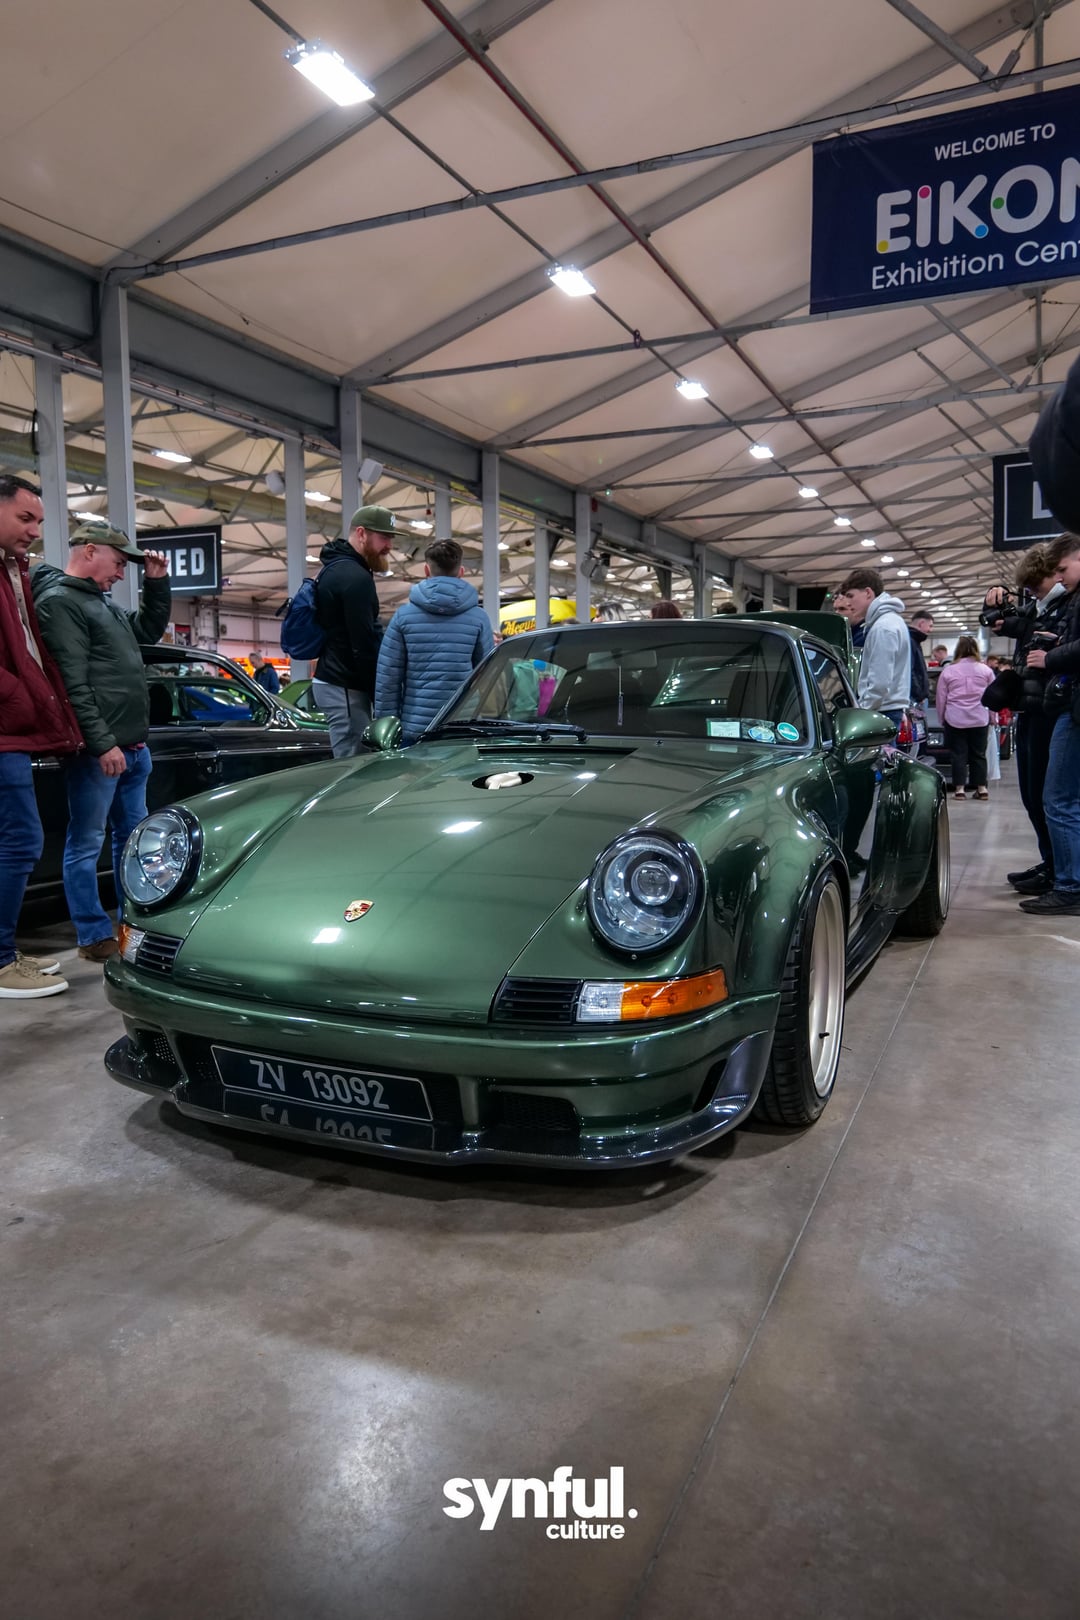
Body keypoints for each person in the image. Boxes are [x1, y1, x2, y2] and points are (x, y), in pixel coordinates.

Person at [33, 524, 170, 962]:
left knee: (134, 843)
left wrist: (156, 583)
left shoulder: (100, 603)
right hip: (103, 752)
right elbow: (72, 683)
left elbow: (146, 632)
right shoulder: (61, 602)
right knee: (86, 843)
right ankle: (93, 936)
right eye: (119, 563)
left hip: (131, 747)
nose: (121, 573)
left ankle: (132, 923)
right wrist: (102, 743)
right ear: (90, 551)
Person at [0, 476, 82, 998]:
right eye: (25, 518)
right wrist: (18, 696)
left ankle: (5, 951)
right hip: (5, 729)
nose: (34, 530)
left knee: (17, 840)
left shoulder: (14, 570)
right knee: (23, 840)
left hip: (12, 729)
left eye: (39, 522)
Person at [983, 545, 1069, 894]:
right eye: (1029, 587)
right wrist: (991, 602)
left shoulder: (1066, 605)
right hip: (1031, 709)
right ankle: (1052, 864)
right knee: (1033, 796)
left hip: (1053, 710)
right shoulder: (1037, 607)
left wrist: (1053, 651)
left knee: (1053, 799)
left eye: (1037, 584)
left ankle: (1062, 871)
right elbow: (997, 623)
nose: (1033, 591)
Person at [374, 538, 493, 744]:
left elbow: (388, 679)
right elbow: (488, 676)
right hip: (462, 727)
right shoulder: (479, 618)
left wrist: (386, 728)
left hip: (416, 728)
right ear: (461, 571)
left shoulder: (403, 617)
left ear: (426, 570)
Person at [1017, 534, 1080, 915]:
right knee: (1059, 798)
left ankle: (1070, 885)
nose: (1059, 577)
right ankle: (1064, 878)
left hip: (1072, 709)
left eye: (1062, 568)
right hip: (1065, 705)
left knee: (1059, 799)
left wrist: (1052, 656)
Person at [311, 505, 397, 758]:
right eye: (384, 537)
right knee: (353, 764)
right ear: (361, 533)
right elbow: (362, 643)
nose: (389, 545)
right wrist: (378, 692)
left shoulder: (336, 567)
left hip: (336, 680)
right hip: (344, 684)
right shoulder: (354, 578)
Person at [838, 568, 910, 725]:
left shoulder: (883, 627)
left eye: (851, 596)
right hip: (887, 709)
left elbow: (880, 683)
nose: (848, 603)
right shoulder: (890, 622)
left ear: (868, 593)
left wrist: (862, 712)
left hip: (880, 711)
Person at [934, 636, 995, 801]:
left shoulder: (949, 671)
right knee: (979, 754)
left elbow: (941, 698)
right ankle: (981, 789)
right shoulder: (986, 671)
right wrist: (992, 717)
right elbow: (993, 696)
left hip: (955, 718)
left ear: (957, 650)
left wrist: (942, 717)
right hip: (979, 717)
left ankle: (959, 790)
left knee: (958, 754)